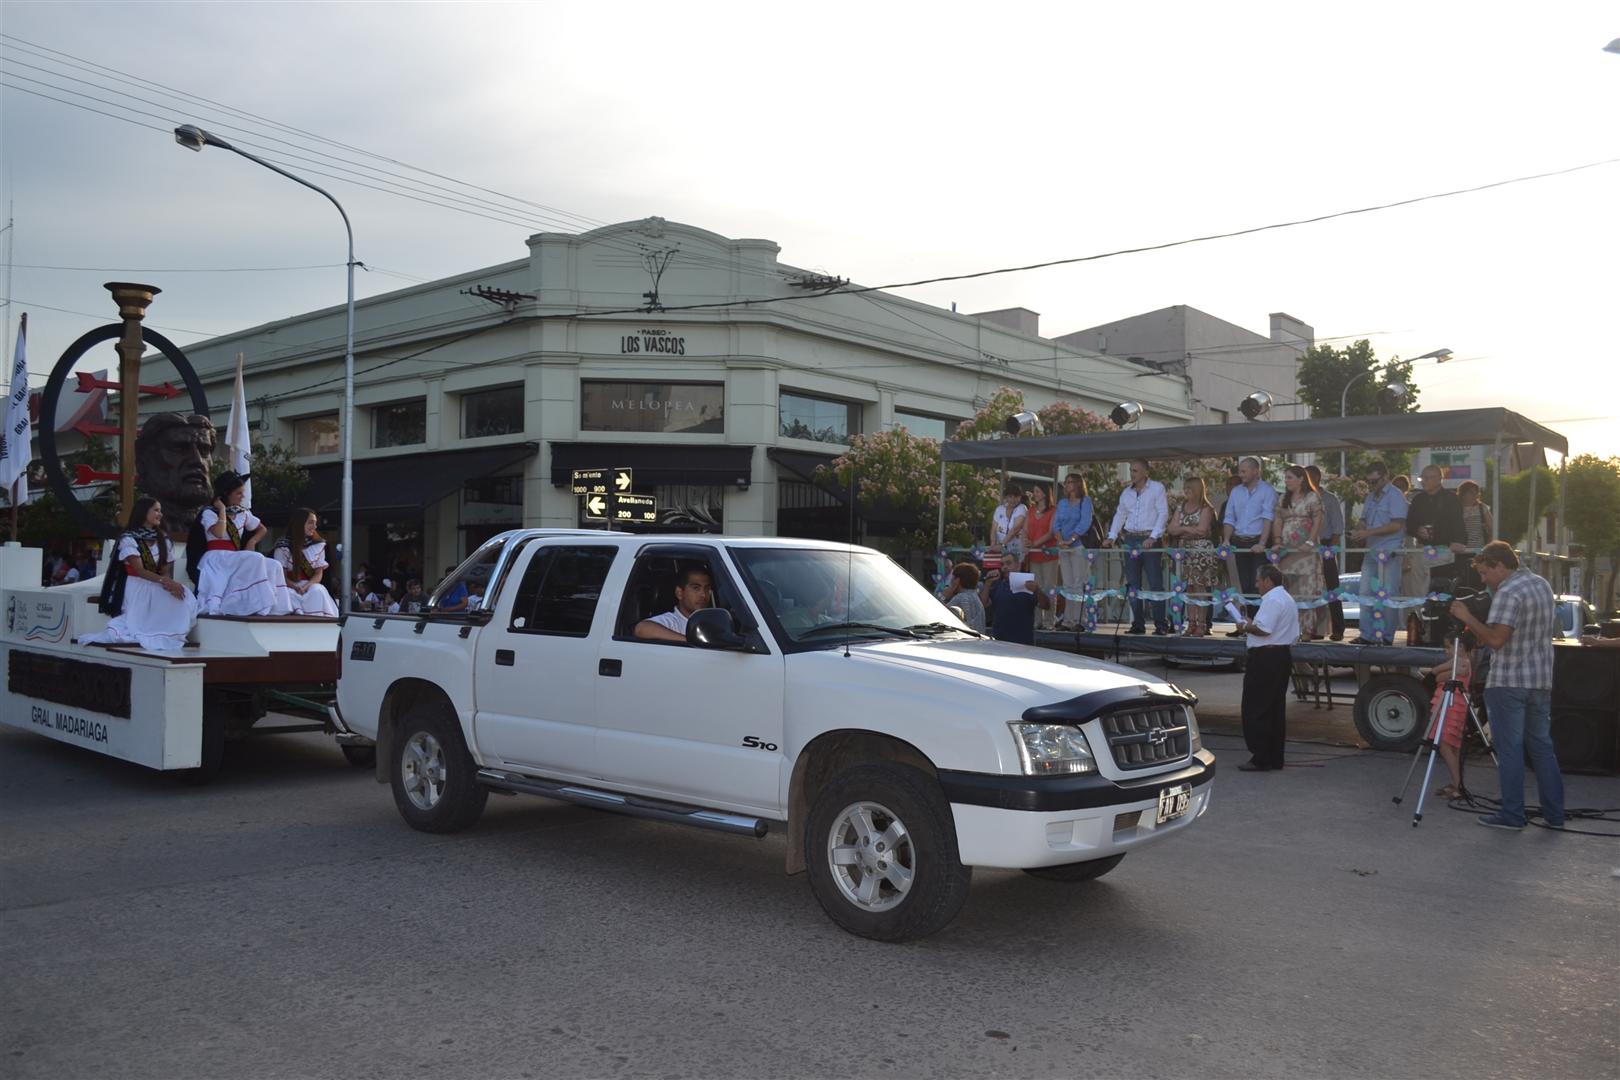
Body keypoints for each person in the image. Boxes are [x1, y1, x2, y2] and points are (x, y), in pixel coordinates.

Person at [1448, 541, 1564, 830]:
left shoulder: (1508, 592)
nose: (1484, 580)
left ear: (1500, 566)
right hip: (1540, 679)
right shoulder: (1541, 584)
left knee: (1509, 750)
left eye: (1486, 573)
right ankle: (1555, 814)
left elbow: (1497, 640)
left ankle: (1512, 815)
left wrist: (1467, 617)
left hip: (1508, 681)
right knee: (1542, 748)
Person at [80, 497, 198, 652]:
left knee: (184, 596)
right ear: (144, 512)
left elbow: (165, 571)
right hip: (136, 586)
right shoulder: (129, 538)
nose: (160, 514)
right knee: (139, 621)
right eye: (156, 510)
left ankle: (169, 634)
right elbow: (139, 570)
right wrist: (166, 582)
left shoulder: (163, 539)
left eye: (160, 510)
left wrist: (171, 587)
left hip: (157, 583)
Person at [192, 471, 293, 617]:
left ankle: (275, 608)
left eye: (242, 493)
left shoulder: (242, 513)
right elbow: (219, 533)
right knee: (256, 558)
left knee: (274, 565)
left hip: (234, 557)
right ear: (227, 493)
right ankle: (250, 604)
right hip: (216, 559)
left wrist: (252, 541)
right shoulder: (209, 513)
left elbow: (262, 529)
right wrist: (221, 509)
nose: (242, 497)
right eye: (238, 493)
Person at [1234, 564, 1299, 772]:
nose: (1256, 584)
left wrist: (1245, 626)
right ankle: (1274, 757)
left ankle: (1261, 757)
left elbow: (1263, 629)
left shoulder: (1272, 599)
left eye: (1258, 580)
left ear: (1268, 581)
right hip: (1281, 655)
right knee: (1274, 709)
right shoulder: (1286, 598)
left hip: (1265, 657)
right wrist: (1252, 624)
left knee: (1256, 708)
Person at [1104, 459, 1170, 635]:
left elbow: (1163, 513)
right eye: (1131, 470)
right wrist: (1111, 536)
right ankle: (1138, 624)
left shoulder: (1157, 488)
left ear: (1145, 472)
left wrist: (1153, 536)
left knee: (1155, 583)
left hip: (1150, 538)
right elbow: (1120, 515)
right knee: (1133, 583)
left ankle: (1161, 625)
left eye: (1135, 471)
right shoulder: (1126, 492)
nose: (1132, 474)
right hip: (1131, 539)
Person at [1349, 460, 1407, 645]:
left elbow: (1397, 524)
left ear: (1385, 477)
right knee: (1365, 591)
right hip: (1372, 550)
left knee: (1387, 594)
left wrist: (1367, 533)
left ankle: (1386, 636)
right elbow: (1364, 519)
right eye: (1369, 482)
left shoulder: (1396, 496)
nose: (1371, 486)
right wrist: (1358, 530)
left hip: (1389, 550)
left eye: (1375, 481)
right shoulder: (1370, 497)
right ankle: (1366, 635)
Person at [1269, 464, 1325, 640]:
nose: (1286, 481)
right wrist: (1277, 541)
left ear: (1301, 479)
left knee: (1305, 590)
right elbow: (1277, 520)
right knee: (1287, 589)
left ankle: (1307, 630)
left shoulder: (1312, 497)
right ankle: (1288, 630)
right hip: (1287, 550)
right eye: (1285, 478)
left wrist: (1309, 542)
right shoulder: (1283, 498)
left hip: (1306, 551)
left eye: (1290, 477)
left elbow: (1317, 520)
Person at [1420, 630, 1478, 800]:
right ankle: (1456, 782)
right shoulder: (1459, 662)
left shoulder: (1462, 663)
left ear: (1460, 647)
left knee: (1446, 744)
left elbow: (1438, 674)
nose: (1446, 651)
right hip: (1449, 705)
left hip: (1453, 707)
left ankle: (1458, 784)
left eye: (1448, 647)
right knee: (1452, 746)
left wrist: (1440, 672)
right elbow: (1438, 673)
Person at [1221, 456, 1277, 624]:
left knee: (1259, 584)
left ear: (1255, 471)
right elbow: (1229, 518)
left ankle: (1260, 623)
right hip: (1239, 541)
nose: (1241, 474)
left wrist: (1262, 542)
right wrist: (1226, 540)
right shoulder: (1236, 491)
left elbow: (1268, 518)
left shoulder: (1267, 490)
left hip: (1258, 541)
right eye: (1240, 471)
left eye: (1244, 471)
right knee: (1244, 585)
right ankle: (1248, 621)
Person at [1166, 475, 1219, 637]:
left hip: (1201, 553)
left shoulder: (1206, 508)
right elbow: (1171, 529)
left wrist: (1182, 528)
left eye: (1190, 488)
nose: (1186, 491)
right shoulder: (1181, 507)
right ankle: (1191, 623)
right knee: (1188, 589)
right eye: (1185, 487)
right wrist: (1190, 529)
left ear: (1197, 490)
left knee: (1200, 588)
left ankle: (1202, 624)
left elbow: (1202, 530)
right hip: (1185, 553)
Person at [273, 508, 340, 617]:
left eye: (315, 523)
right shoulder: (283, 546)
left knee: (317, 591)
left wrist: (306, 587)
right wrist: (296, 587)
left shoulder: (318, 545)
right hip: (289, 586)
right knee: (288, 594)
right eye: (310, 522)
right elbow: (281, 576)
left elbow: (318, 573)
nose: (314, 527)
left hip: (310, 586)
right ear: (299, 523)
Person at [1305, 465, 1346, 640]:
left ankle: (1338, 628)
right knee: (1309, 589)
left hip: (1326, 544)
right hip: (1306, 546)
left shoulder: (1329, 499)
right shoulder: (1301, 499)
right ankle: (1315, 629)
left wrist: (1330, 551)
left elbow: (1338, 528)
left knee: (1331, 587)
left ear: (1316, 479)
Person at [979, 549, 1050, 645]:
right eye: (1002, 564)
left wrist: (1037, 591)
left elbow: (1046, 606)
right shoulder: (997, 585)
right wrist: (987, 583)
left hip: (1022, 642)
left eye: (1008, 564)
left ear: (1018, 565)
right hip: (1000, 640)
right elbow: (982, 605)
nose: (1004, 567)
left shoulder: (1028, 584)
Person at [1051, 472, 1094, 630]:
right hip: (1064, 546)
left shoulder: (1085, 501)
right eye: (1066, 482)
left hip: (1078, 546)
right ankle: (1068, 620)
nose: (1067, 485)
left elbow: (1085, 522)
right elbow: (1056, 524)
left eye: (1070, 482)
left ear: (1078, 484)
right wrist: (1061, 540)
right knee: (1068, 584)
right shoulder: (1062, 503)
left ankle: (1079, 620)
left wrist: (1072, 539)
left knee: (1078, 582)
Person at [635, 565, 714, 642]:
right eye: (696, 588)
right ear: (679, 593)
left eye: (707, 589)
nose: (703, 594)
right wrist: (689, 641)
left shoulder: (714, 621)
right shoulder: (672, 621)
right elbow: (641, 629)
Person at [1023, 482, 1058, 629]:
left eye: (1037, 491)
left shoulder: (1053, 510)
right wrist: (1026, 542)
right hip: (1034, 555)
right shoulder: (1031, 510)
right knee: (1035, 587)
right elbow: (1025, 529)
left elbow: (1051, 532)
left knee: (1049, 587)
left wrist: (1035, 543)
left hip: (1049, 554)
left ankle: (1049, 621)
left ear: (1044, 493)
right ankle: (1037, 620)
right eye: (1034, 491)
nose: (1035, 494)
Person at [1455, 480, 1494, 590]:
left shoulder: (1483, 508)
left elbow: (1493, 529)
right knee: (1461, 581)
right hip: (1460, 551)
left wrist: (1488, 548)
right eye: (1471, 492)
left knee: (1478, 581)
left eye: (1476, 492)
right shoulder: (1456, 508)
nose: (1474, 495)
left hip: (1479, 551)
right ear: (1463, 493)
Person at [940, 562, 986, 633]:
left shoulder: (960, 598)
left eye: (953, 578)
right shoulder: (975, 597)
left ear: (957, 580)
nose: (951, 582)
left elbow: (939, 616)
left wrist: (943, 597)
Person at [990, 482, 1027, 558]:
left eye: (1016, 496)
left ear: (1020, 497)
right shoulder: (999, 509)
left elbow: (1015, 529)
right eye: (1010, 496)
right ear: (1006, 497)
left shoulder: (1022, 508)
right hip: (1001, 552)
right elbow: (993, 529)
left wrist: (1002, 545)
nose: (1013, 500)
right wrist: (993, 545)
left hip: (1017, 552)